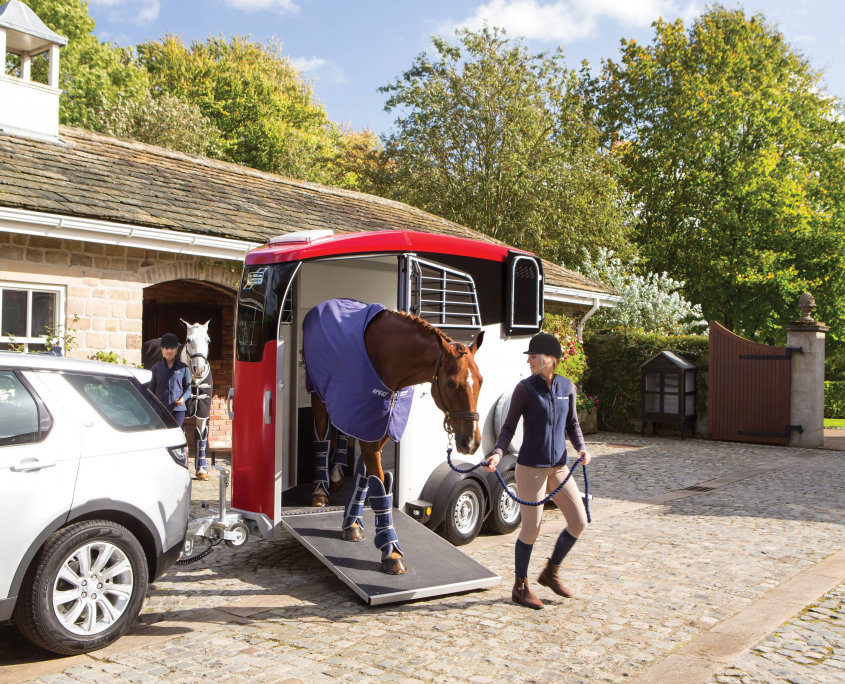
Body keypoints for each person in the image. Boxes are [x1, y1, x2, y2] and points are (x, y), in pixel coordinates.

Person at [484, 331, 592, 609]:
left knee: (579, 522)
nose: (529, 361)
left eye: (533, 356)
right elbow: (508, 427)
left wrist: (581, 448)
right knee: (531, 528)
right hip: (530, 467)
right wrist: (497, 452)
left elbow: (573, 425)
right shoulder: (525, 389)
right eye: (530, 356)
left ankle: (550, 572)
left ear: (549, 358)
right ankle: (520, 587)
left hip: (559, 467)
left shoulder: (567, 387)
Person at [148, 332, 191, 428]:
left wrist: (182, 399)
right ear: (162, 350)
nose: (169, 351)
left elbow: (188, 389)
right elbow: (151, 390)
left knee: (175, 434)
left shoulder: (183, 368)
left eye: (172, 348)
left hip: (178, 410)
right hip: (160, 410)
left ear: (176, 350)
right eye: (166, 348)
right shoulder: (156, 367)